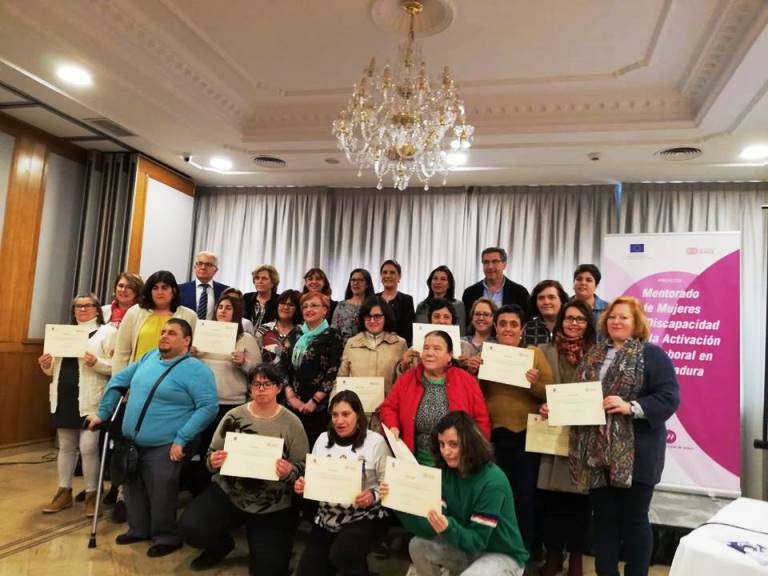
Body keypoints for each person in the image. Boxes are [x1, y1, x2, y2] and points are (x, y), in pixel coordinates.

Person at [88, 318, 217, 558]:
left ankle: (166, 536)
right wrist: (103, 413)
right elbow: (118, 381)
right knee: (132, 488)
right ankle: (138, 529)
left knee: (162, 493)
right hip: (133, 442)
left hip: (166, 444)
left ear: (187, 340)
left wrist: (182, 438)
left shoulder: (197, 370)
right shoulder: (148, 357)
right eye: (163, 332)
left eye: (172, 333)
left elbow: (208, 407)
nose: (164, 336)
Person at [569, 296, 679, 576]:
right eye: (613, 317)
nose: (616, 321)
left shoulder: (652, 355)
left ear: (637, 322)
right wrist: (555, 408)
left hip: (637, 455)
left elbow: (668, 398)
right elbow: (577, 396)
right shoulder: (593, 354)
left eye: (624, 317)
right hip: (595, 452)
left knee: (634, 520)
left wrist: (630, 407)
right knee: (603, 521)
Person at [178, 363, 309, 574]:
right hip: (230, 493)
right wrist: (214, 461)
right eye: (256, 384)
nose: (261, 389)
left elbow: (302, 467)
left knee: (268, 570)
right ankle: (221, 545)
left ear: (278, 388)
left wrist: (289, 471)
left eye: (267, 384)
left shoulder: (291, 423)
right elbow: (210, 456)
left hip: (272, 502)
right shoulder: (233, 416)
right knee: (191, 527)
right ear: (249, 388)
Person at [392, 411, 529, 576]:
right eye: (442, 444)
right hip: (466, 547)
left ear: (470, 443)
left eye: (453, 444)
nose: (446, 451)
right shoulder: (448, 472)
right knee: (417, 545)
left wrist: (448, 527)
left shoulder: (492, 481)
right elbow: (427, 529)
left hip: (502, 554)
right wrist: (398, 502)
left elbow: (477, 541)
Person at [480, 304, 554, 553]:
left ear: (521, 329)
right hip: (493, 437)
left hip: (525, 436)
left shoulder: (533, 354)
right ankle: (495, 549)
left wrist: (532, 383)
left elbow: (550, 393)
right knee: (494, 496)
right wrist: (475, 372)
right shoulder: (486, 354)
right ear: (495, 327)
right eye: (502, 324)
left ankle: (521, 551)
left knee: (524, 497)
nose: (508, 329)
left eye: (513, 324)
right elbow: (478, 394)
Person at [294, 390, 389, 576]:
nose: (339, 421)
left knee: (344, 554)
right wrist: (303, 485)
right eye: (335, 415)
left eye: (346, 414)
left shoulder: (375, 443)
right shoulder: (322, 440)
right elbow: (312, 476)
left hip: (363, 516)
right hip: (326, 517)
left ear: (358, 415)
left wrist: (372, 495)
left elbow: (389, 484)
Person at [38, 294, 115, 517]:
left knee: (89, 447)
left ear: (97, 309)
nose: (82, 310)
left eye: (87, 306)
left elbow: (116, 366)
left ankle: (92, 495)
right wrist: (45, 364)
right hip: (64, 397)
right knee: (66, 447)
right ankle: (63, 493)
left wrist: (96, 362)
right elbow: (52, 369)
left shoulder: (107, 332)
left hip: (90, 399)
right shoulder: (62, 334)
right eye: (77, 306)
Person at [536, 300, 596, 576]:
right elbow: (536, 390)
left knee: (579, 504)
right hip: (551, 436)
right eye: (569, 318)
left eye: (580, 319)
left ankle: (575, 557)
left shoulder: (598, 354)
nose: (573, 324)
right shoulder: (543, 352)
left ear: (588, 324)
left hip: (584, 439)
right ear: (560, 322)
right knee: (551, 502)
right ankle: (553, 554)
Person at [380, 330, 491, 466]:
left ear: (449, 356)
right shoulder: (408, 378)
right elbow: (389, 407)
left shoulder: (466, 380)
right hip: (415, 461)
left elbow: (481, 421)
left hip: (457, 463)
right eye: (426, 348)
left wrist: (476, 455)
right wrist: (393, 426)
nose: (429, 353)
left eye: (437, 348)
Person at [190, 293, 262, 490]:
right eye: (220, 307)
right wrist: (192, 355)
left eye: (228, 308)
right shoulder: (202, 334)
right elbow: (190, 369)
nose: (222, 311)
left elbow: (258, 371)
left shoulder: (245, 338)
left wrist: (244, 363)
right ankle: (200, 491)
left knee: (226, 452)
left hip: (231, 404)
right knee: (203, 450)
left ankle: (224, 492)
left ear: (236, 313)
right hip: (203, 403)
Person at [281, 291, 344, 447]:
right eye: (305, 306)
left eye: (314, 306)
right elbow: (283, 365)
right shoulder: (295, 333)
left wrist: (314, 401)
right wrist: (290, 396)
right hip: (291, 404)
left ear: (325, 310)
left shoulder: (332, 335)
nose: (309, 309)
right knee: (289, 448)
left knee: (313, 449)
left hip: (318, 407)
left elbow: (333, 370)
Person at [113, 270, 198, 373]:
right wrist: (118, 384)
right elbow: (121, 353)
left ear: (174, 290)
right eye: (155, 288)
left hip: (174, 379)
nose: (160, 292)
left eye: (165, 288)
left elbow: (194, 351)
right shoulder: (134, 312)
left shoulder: (189, 316)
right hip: (137, 377)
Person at [338, 296, 407, 396]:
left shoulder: (399, 344)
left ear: (386, 317)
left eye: (377, 316)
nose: (372, 321)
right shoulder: (352, 343)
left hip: (388, 407)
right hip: (356, 409)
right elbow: (341, 379)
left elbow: (405, 380)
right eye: (368, 316)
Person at [399, 298, 473, 373]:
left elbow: (473, 380)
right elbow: (405, 379)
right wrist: (404, 365)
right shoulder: (415, 348)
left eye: (446, 317)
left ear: (452, 321)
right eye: (436, 316)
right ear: (430, 320)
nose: (441, 321)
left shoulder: (465, 348)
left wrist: (468, 368)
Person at [462, 247, 531, 319]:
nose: (490, 266)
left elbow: (525, 321)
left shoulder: (520, 292)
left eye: (495, 261)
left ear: (504, 264)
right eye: (486, 262)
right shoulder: (469, 293)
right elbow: (467, 323)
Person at [415, 265, 467, 335]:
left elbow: (461, 333)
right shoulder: (421, 306)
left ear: (449, 284)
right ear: (430, 282)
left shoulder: (458, 305)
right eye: (435, 278)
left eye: (443, 279)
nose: (438, 282)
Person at [178, 251, 229, 320]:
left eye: (208, 264)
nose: (203, 267)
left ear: (215, 270)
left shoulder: (225, 291)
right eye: (200, 263)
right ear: (195, 267)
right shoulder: (180, 289)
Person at [257, 289, 302, 363]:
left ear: (297, 310)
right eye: (282, 303)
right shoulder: (264, 329)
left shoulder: (302, 333)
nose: (285, 307)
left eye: (291, 305)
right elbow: (255, 358)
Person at [377, 259, 415, 346]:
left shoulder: (407, 300)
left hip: (397, 349)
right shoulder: (373, 299)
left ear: (399, 277)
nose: (388, 275)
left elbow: (408, 333)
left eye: (392, 272)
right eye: (385, 272)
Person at [331, 268, 374, 342]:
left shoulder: (373, 306)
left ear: (367, 285)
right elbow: (334, 330)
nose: (356, 283)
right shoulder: (341, 305)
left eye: (360, 280)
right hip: (343, 349)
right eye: (353, 280)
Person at [522, 280, 569, 346]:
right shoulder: (527, 328)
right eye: (541, 298)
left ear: (562, 300)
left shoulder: (571, 326)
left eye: (551, 297)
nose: (546, 302)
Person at [460, 297, 497, 377]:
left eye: (486, 314)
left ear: (494, 318)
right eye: (477, 314)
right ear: (472, 317)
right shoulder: (459, 343)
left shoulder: (498, 346)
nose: (481, 318)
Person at [243, 264, 280, 331]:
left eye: (264, 278)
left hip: (268, 339)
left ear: (273, 283)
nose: (260, 281)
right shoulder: (246, 298)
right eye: (257, 278)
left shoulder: (279, 301)